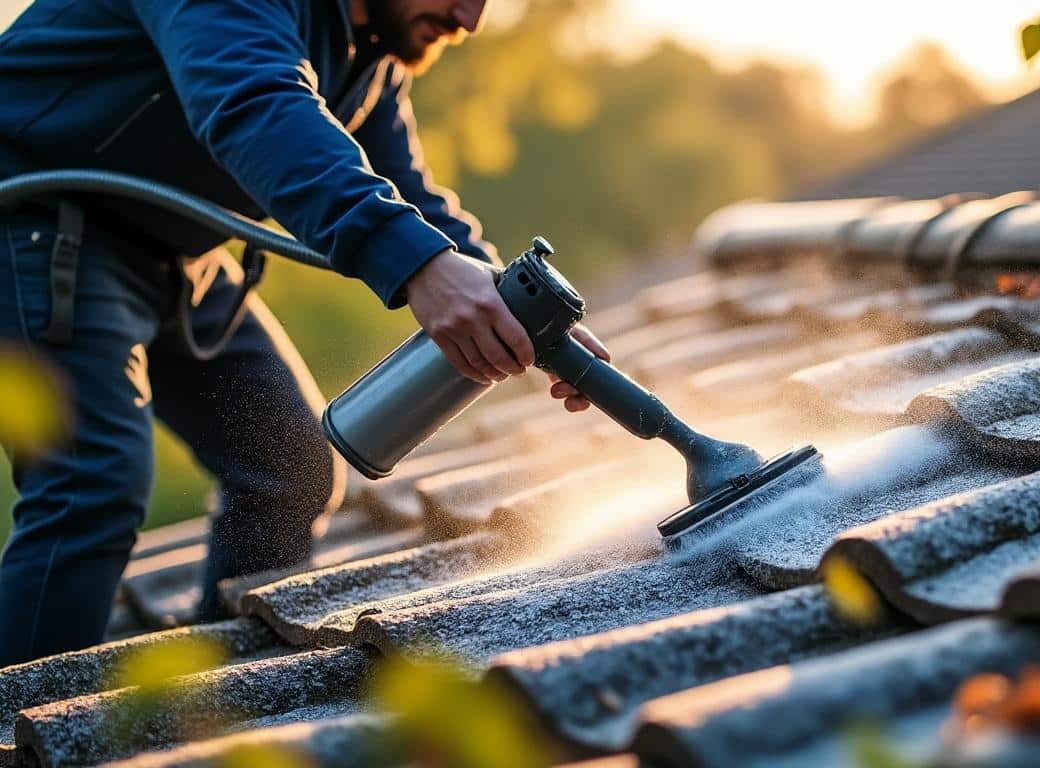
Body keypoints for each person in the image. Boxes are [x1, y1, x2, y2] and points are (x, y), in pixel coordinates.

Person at [0, 0, 605, 666]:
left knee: (288, 466)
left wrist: (523, 308)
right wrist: (419, 267)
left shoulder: (367, 45)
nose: (468, 18)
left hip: (174, 251)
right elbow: (255, 105)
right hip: (36, 216)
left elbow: (406, 190)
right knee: (92, 483)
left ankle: (213, 697)